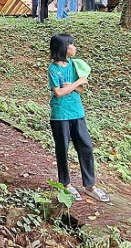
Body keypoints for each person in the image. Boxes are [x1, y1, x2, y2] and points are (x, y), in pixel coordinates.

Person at [47, 33, 109, 203]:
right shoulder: (53, 68)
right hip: (60, 115)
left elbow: (82, 88)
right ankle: (65, 184)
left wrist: (73, 85)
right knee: (62, 149)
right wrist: (75, 84)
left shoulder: (74, 64)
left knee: (86, 147)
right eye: (71, 44)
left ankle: (90, 186)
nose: (74, 47)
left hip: (77, 112)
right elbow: (58, 92)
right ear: (63, 48)